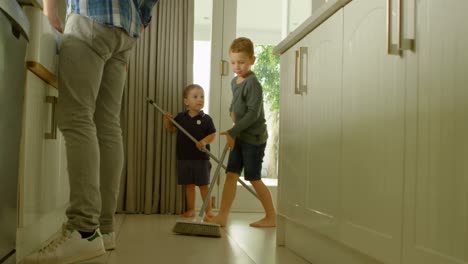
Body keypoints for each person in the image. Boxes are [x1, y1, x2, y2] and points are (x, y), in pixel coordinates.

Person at [22, 0, 159, 263]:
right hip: (125, 30)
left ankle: (84, 231)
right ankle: (105, 229)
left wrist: (49, 8)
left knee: (77, 117)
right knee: (107, 125)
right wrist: (139, 22)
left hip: (91, 15)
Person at [209, 37, 277, 228]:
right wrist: (232, 110)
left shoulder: (253, 83)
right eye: (233, 62)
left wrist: (233, 131)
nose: (237, 66)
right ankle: (222, 215)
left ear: (252, 60)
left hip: (253, 139)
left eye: (241, 62)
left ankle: (272, 216)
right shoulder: (235, 81)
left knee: (254, 178)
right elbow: (236, 102)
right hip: (240, 135)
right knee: (231, 174)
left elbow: (253, 114)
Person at [164, 84, 216, 219]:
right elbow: (172, 130)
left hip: (201, 158)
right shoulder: (181, 117)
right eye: (195, 97)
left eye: (202, 96)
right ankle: (191, 209)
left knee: (204, 185)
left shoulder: (206, 119)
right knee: (189, 185)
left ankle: (208, 211)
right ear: (186, 101)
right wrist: (167, 121)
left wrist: (204, 142)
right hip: (184, 158)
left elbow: (212, 135)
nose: (200, 99)